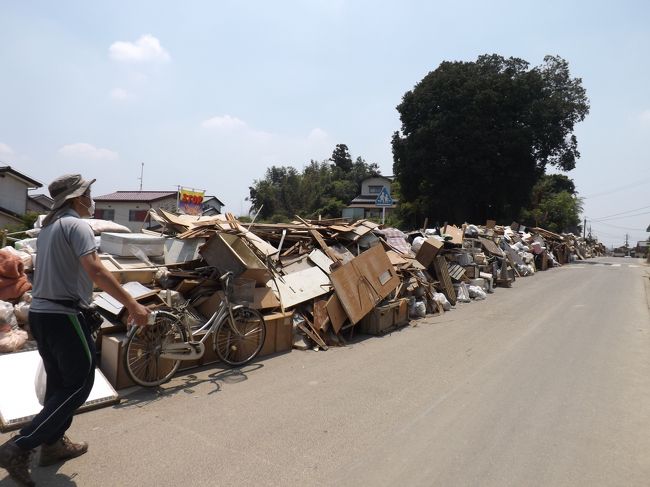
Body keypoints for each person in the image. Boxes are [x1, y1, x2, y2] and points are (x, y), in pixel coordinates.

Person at [0, 174, 150, 486]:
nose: (92, 200)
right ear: (77, 197)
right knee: (80, 383)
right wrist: (133, 304)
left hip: (42, 313)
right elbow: (95, 269)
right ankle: (20, 445)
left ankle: (53, 444)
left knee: (59, 384)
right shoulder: (77, 226)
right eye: (89, 194)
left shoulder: (49, 229)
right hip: (63, 314)